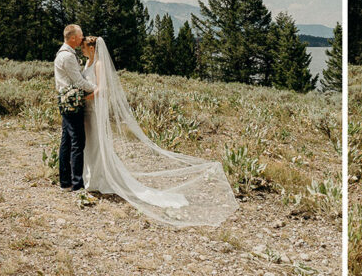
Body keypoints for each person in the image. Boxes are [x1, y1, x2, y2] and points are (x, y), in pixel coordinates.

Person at [77, 35, 238, 227]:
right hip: (86, 111)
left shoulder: (99, 64)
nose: (82, 50)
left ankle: (98, 180)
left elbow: (102, 89)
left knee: (97, 145)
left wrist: (83, 100)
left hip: (94, 110)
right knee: (89, 145)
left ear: (93, 48)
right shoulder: (87, 62)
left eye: (84, 47)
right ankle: (91, 178)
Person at [54, 24, 97, 191]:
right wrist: (98, 88)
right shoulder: (68, 56)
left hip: (65, 102)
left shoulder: (63, 53)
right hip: (72, 104)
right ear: (72, 38)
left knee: (66, 141)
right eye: (80, 36)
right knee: (78, 142)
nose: (82, 39)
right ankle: (77, 184)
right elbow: (78, 82)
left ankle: (65, 181)